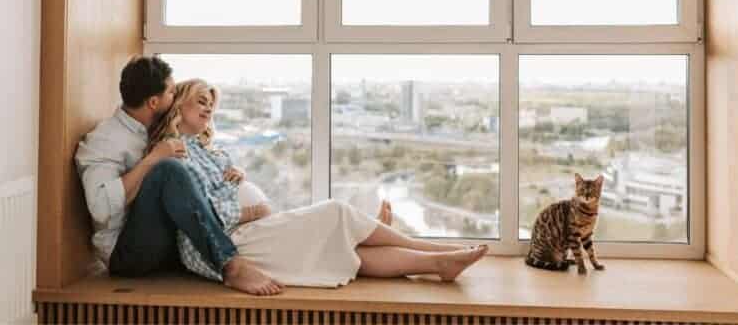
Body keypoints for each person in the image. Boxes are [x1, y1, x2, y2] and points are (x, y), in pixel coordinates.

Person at [147, 79, 489, 295]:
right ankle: (433, 250)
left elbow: (220, 193)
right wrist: (253, 209)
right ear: (178, 106)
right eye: (200, 100)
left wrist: (238, 180)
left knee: (346, 254)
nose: (208, 107)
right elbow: (199, 213)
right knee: (335, 212)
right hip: (225, 246)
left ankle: (437, 262)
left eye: (211, 102)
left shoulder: (210, 151)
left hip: (250, 233)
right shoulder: (174, 152)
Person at [75, 56, 283, 295]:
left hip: (166, 241)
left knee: (175, 169)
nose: (175, 97)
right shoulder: (106, 140)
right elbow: (100, 208)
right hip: (126, 253)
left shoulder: (152, 130)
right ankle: (231, 266)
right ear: (154, 102)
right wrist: (153, 159)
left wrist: (234, 174)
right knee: (168, 169)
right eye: (172, 92)